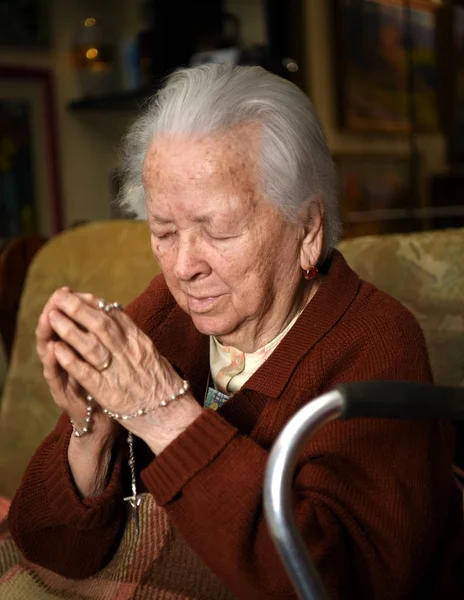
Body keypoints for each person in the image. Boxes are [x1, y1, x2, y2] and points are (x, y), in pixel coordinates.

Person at [7, 64, 464, 599]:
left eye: (218, 230)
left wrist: (163, 413)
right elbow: (44, 542)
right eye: (164, 231)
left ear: (308, 229)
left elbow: (342, 582)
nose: (182, 266)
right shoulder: (165, 311)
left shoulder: (378, 342)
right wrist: (93, 431)